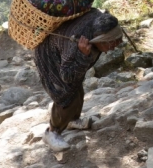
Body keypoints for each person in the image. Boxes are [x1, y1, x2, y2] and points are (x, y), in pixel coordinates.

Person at [34, 9, 122, 152]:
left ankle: (72, 120)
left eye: (117, 41)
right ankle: (52, 132)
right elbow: (67, 76)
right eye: (110, 44)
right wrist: (82, 56)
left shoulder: (103, 22)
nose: (113, 48)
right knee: (66, 94)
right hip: (49, 57)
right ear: (98, 41)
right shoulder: (75, 44)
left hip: (64, 53)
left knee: (77, 86)